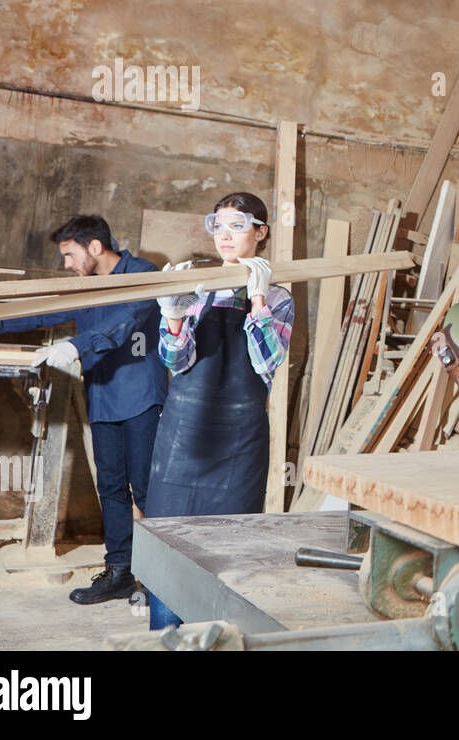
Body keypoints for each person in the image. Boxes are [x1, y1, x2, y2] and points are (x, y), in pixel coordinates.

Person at [0, 215, 167, 604]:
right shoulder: (83, 284)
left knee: (148, 490)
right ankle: (119, 572)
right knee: (111, 486)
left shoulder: (143, 273)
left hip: (141, 397)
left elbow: (125, 320)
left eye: (69, 254)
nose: (66, 264)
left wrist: (77, 347)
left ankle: (163, 581)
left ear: (94, 247)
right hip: (103, 395)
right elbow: (45, 310)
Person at [141, 192, 293, 629]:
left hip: (239, 441)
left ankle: (214, 637)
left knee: (227, 551)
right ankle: (165, 637)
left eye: (238, 226)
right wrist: (172, 315)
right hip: (183, 435)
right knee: (169, 546)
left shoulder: (279, 295)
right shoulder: (199, 288)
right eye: (218, 226)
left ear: (261, 232)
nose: (225, 236)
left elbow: (267, 363)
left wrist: (259, 300)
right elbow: (175, 361)